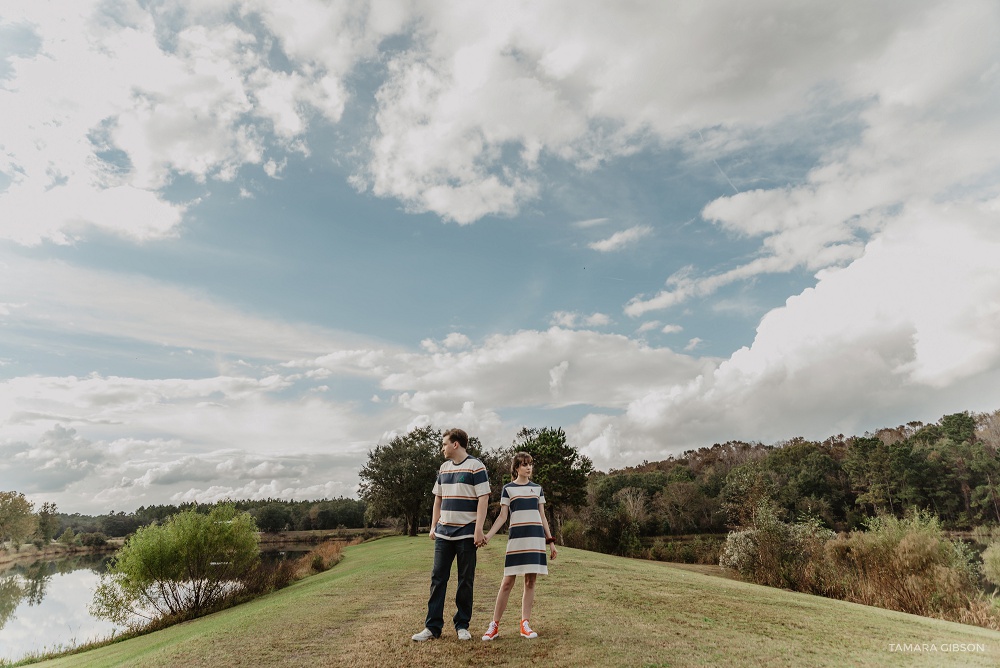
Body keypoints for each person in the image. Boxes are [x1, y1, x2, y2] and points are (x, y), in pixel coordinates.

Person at [411, 428, 490, 642]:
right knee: (438, 579)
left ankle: (462, 625)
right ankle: (432, 627)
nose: (442, 448)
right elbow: (438, 498)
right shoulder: (444, 468)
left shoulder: (476, 466)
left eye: (444, 443)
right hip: (444, 534)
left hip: (466, 534)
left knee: (465, 581)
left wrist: (478, 529)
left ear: (455, 444)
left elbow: (483, 498)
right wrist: (433, 525)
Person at [480, 451, 557, 641]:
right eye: (524, 464)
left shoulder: (537, 489)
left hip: (535, 540)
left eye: (530, 464)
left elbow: (542, 516)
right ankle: (494, 626)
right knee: (507, 582)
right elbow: (502, 517)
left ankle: (525, 624)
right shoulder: (508, 489)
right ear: (516, 468)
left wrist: (551, 542)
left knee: (530, 582)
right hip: (517, 540)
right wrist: (488, 536)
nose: (529, 467)